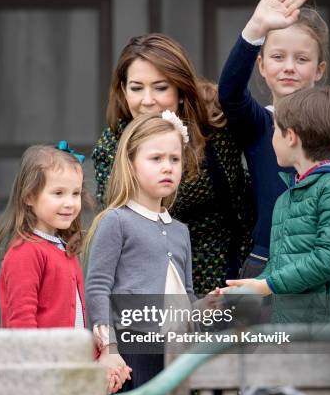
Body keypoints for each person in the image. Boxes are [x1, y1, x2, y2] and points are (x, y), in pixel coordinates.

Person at [85, 111, 194, 395]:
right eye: (155, 158)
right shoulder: (116, 221)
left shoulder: (180, 229)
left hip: (171, 361)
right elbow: (97, 289)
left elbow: (183, 294)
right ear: (131, 162)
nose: (168, 167)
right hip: (130, 360)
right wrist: (109, 350)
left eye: (175, 159)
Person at [92, 33, 254, 295]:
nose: (147, 100)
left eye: (160, 87)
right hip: (153, 287)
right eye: (136, 88)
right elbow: (116, 232)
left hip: (230, 275)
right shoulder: (113, 147)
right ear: (123, 90)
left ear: (180, 90)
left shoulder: (214, 123)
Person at [218, 0, 330, 279]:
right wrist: (255, 30)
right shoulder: (260, 125)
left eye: (302, 59)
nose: (289, 67)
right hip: (267, 261)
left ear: (319, 70)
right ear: (261, 65)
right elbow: (230, 93)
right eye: (278, 57)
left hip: (328, 264)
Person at [0, 144, 127, 393]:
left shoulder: (65, 249)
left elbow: (79, 319)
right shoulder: (25, 252)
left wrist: (101, 359)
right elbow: (21, 323)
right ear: (29, 197)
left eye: (75, 194)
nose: (69, 203)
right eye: (58, 193)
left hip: (71, 371)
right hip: (42, 376)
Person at [221, 86, 330, 323]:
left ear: (291, 137)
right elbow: (281, 263)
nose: (272, 137)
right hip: (294, 323)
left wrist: (267, 285)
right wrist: (247, 289)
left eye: (275, 130)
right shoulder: (287, 197)